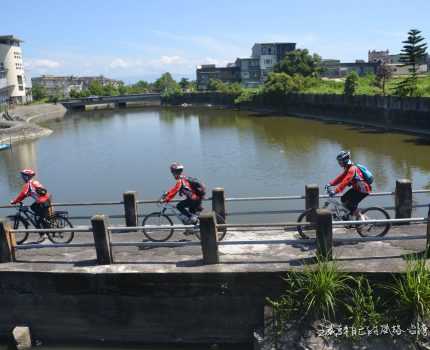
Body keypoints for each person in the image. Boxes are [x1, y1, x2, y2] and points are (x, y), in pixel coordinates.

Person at [326, 151, 371, 220]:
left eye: (340, 161)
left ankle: (363, 220)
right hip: (357, 189)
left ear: (345, 160)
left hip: (363, 190)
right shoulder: (348, 168)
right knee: (343, 199)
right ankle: (350, 217)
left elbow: (345, 182)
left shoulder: (352, 169)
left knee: (351, 205)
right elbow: (341, 178)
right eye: (338, 161)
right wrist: (330, 184)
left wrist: (335, 191)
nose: (339, 163)